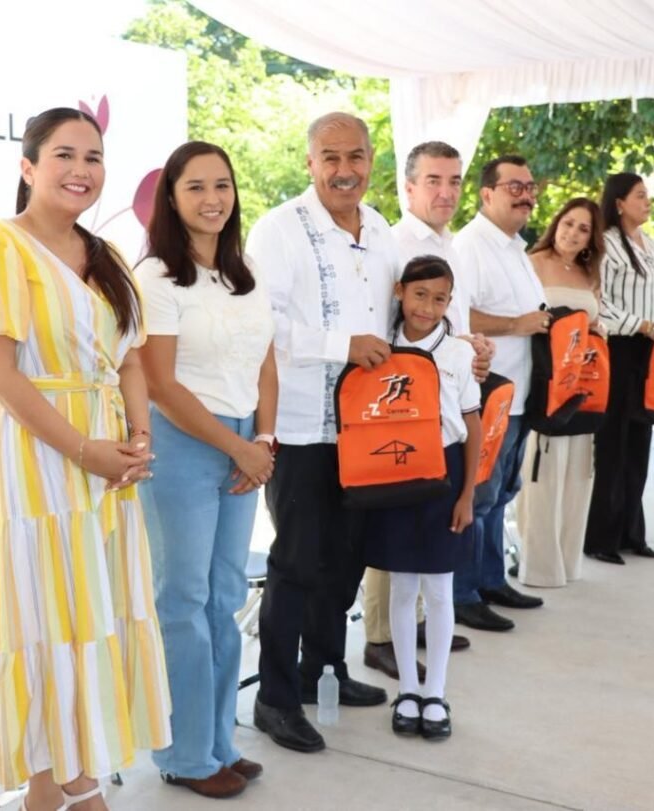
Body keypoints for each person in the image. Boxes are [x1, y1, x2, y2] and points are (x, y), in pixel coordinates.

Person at [0, 107, 171, 811]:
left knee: (96, 611)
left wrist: (138, 437)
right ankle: (75, 787)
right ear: (28, 167)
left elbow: (129, 358)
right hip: (38, 453)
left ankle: (56, 788)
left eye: (93, 157)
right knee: (50, 615)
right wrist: (82, 449)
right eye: (64, 155)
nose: (81, 170)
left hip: (109, 456)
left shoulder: (106, 256)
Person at [244, 112, 395, 754]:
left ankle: (324, 670)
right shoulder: (278, 230)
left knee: (347, 559)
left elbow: (395, 318)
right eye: (330, 157)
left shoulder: (381, 229)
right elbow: (263, 323)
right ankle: (275, 699)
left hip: (368, 428)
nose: (344, 170)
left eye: (355, 156)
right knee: (298, 563)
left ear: (371, 160)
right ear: (309, 163)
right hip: (301, 424)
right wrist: (343, 344)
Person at [135, 141, 277, 799]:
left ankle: (219, 742)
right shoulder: (156, 278)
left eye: (222, 184)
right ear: (171, 197)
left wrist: (263, 439)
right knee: (183, 601)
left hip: (247, 440)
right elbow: (161, 385)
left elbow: (265, 360)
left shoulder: (245, 270)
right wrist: (238, 448)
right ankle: (184, 755)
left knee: (225, 598)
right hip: (184, 444)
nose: (212, 198)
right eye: (195, 186)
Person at [362, 141, 481, 680]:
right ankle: (381, 636)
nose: (446, 191)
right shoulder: (392, 244)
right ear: (408, 187)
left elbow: (451, 319)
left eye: (454, 180)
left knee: (429, 548)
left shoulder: (452, 244)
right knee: (394, 542)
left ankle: (417, 628)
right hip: (398, 409)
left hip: (448, 399)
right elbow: (388, 325)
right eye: (434, 180)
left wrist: (471, 349)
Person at [365, 255, 481, 741]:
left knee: (437, 589)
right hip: (392, 471)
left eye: (439, 299)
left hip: (444, 474)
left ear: (449, 303)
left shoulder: (457, 353)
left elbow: (472, 423)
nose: (427, 307)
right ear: (399, 291)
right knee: (401, 585)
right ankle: (407, 690)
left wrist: (467, 493)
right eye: (419, 295)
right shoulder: (379, 346)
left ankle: (435, 691)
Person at [453, 155, 546, 632]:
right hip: (487, 395)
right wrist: (516, 324)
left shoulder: (515, 248)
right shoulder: (469, 246)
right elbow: (457, 316)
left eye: (530, 187)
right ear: (486, 193)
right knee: (479, 496)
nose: (526, 195)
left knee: (503, 493)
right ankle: (462, 594)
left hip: (520, 393)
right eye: (514, 187)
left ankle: (491, 580)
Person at [584, 173, 654, 564]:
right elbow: (600, 303)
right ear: (619, 203)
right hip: (620, 350)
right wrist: (643, 325)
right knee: (613, 445)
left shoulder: (648, 243)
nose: (648, 202)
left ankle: (632, 533)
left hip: (651, 355)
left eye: (648, 196)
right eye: (640, 196)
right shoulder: (607, 244)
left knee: (639, 445)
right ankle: (601, 539)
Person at [515, 198, 606, 586]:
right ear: (556, 223)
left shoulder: (590, 274)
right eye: (569, 223)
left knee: (578, 474)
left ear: (591, 239)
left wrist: (597, 332)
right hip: (544, 381)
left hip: (583, 383)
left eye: (583, 229)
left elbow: (597, 321)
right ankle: (539, 567)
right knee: (543, 474)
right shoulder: (531, 263)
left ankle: (568, 562)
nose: (573, 233)